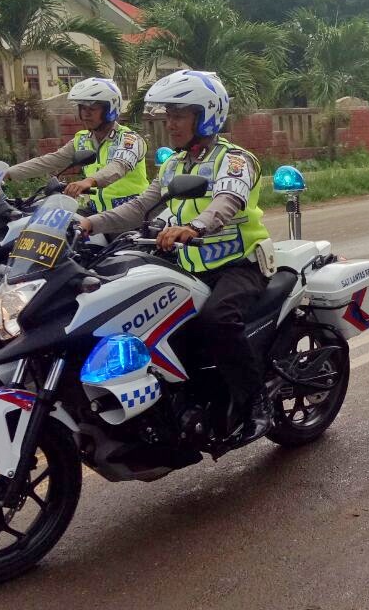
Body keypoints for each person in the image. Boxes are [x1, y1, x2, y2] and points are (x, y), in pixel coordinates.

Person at [79, 70, 277, 441]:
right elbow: (139, 207)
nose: (169, 124)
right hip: (189, 268)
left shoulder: (234, 160)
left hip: (238, 265)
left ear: (206, 115)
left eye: (179, 115)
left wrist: (196, 228)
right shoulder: (172, 165)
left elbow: (227, 202)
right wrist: (88, 223)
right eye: (167, 115)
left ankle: (255, 403)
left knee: (218, 320)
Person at [6, 77, 149, 211]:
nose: (86, 114)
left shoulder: (129, 139)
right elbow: (50, 161)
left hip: (132, 214)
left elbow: (118, 166)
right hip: (96, 214)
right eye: (83, 108)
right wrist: (7, 174)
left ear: (110, 110)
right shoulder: (81, 140)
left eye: (92, 109)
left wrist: (89, 181)